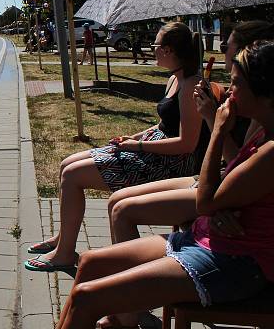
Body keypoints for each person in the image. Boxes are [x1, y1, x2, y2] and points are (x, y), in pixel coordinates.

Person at [56, 41, 274, 329]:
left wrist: (219, 130)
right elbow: (233, 187)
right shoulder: (262, 131)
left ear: (267, 94)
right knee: (89, 263)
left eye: (236, 84)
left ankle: (121, 322)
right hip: (206, 240)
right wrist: (221, 207)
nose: (230, 91)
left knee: (86, 297)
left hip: (234, 262)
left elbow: (205, 201)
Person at [25, 22, 204, 273]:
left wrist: (139, 146)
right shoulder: (175, 78)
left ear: (169, 50)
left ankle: (65, 252)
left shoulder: (190, 86)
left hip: (166, 164)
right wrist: (133, 137)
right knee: (67, 163)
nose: (152, 49)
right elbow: (164, 124)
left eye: (156, 45)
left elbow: (187, 143)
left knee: (73, 175)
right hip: (153, 151)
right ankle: (63, 238)